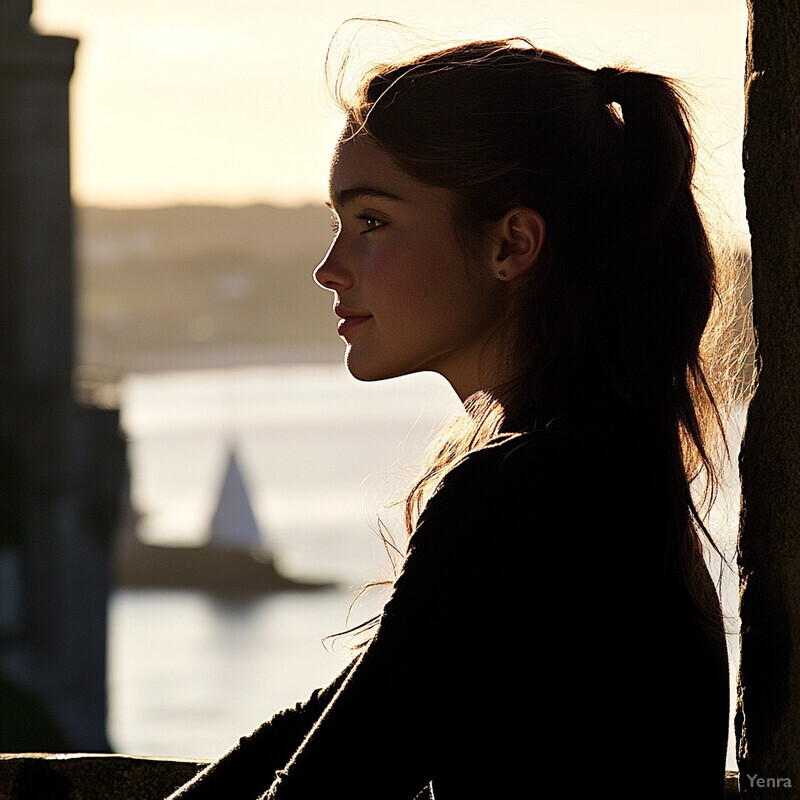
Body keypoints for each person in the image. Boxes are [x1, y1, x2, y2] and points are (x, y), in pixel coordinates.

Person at [167, 35, 738, 799]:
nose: (327, 266)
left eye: (371, 222)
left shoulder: (521, 493)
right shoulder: (604, 471)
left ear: (512, 244)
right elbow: (333, 717)